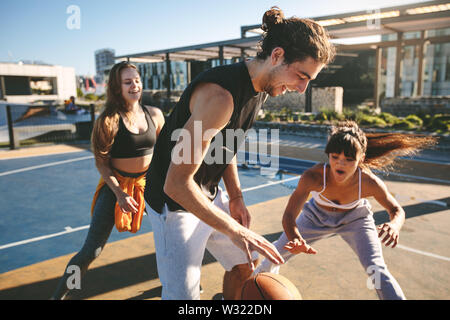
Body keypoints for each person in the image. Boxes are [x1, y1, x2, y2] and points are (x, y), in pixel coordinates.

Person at [144, 7, 336, 300]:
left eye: (309, 80)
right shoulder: (220, 97)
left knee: (246, 264)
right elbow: (176, 183)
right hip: (174, 203)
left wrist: (235, 196)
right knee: (183, 298)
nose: (302, 88)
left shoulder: (261, 86)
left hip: (208, 190)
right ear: (276, 56)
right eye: (300, 76)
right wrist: (237, 230)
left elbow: (225, 143)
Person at [255, 120, 437, 300]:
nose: (340, 164)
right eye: (335, 157)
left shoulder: (368, 182)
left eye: (349, 160)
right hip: (315, 217)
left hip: (355, 219)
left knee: (376, 269)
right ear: (329, 156)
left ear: (361, 159)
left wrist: (394, 225)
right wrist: (295, 239)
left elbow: (396, 209)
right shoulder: (313, 177)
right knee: (271, 258)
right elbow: (289, 215)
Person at [51, 62, 165, 299]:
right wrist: (120, 194)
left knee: (170, 237)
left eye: (136, 80)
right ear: (117, 87)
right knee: (90, 251)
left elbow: (163, 152)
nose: (134, 85)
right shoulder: (108, 121)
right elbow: (102, 163)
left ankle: (176, 284)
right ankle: (59, 294)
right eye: (127, 82)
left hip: (147, 185)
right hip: (117, 188)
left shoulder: (155, 114)